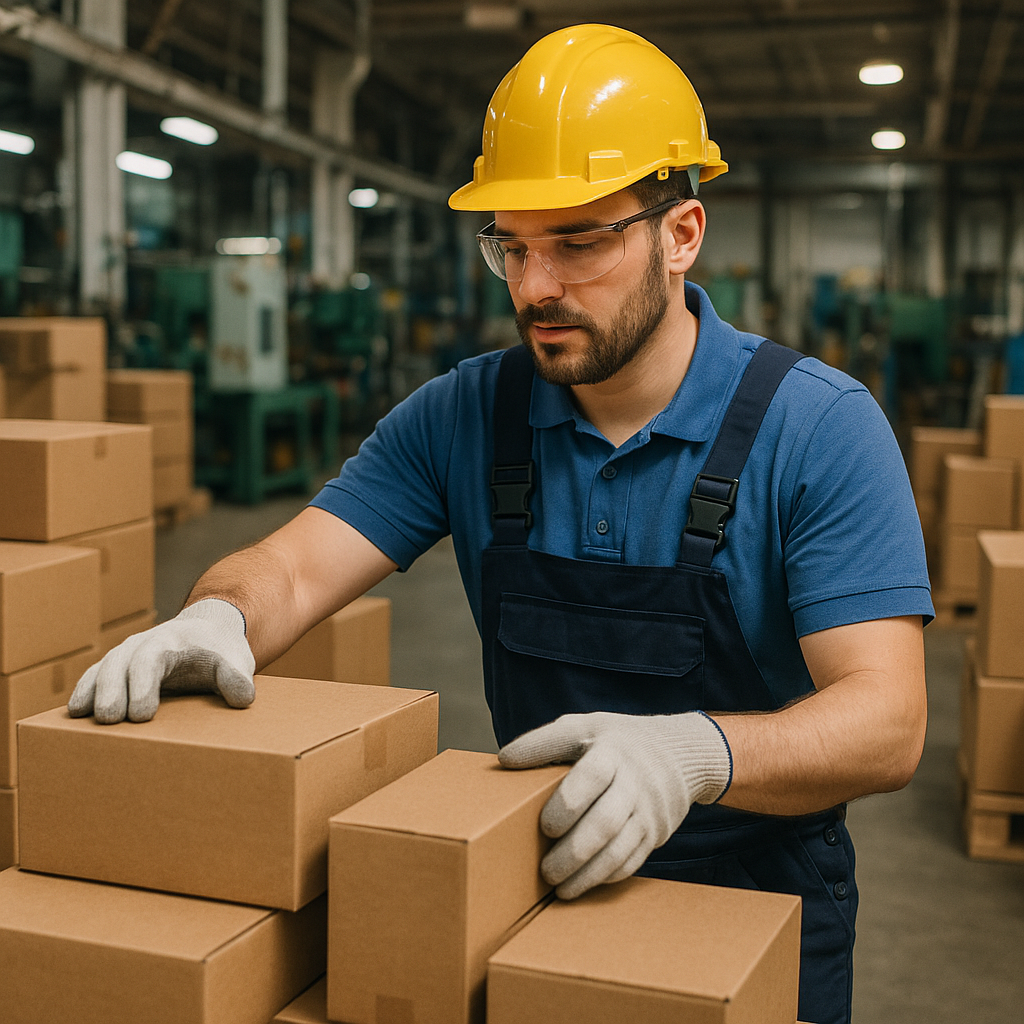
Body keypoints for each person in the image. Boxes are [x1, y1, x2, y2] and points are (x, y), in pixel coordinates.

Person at [69, 24, 931, 1024]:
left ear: (682, 233)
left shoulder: (816, 428)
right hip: (537, 886)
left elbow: (888, 720)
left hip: (759, 903)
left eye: (577, 242)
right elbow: (293, 569)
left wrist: (697, 755)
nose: (534, 287)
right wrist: (218, 614)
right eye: (511, 247)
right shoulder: (466, 416)